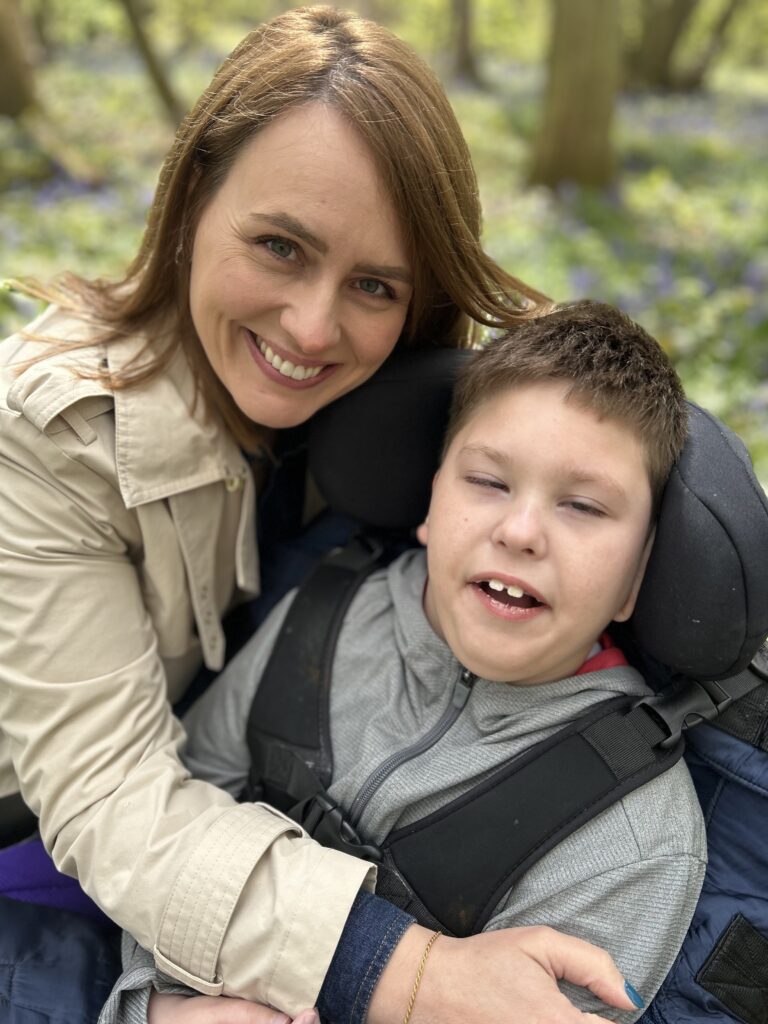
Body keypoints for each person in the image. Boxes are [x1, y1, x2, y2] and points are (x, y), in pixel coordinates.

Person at [0, 7, 637, 1024]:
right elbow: (109, 802)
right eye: (281, 247)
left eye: (374, 284)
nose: (312, 328)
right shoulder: (42, 434)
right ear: (194, 190)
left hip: (214, 829)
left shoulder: (394, 420)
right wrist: (413, 973)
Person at [105, 301, 707, 1024]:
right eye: (488, 482)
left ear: (637, 579)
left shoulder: (633, 835)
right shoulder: (327, 613)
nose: (520, 531)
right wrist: (157, 1007)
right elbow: (163, 831)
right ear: (429, 505)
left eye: (582, 506)